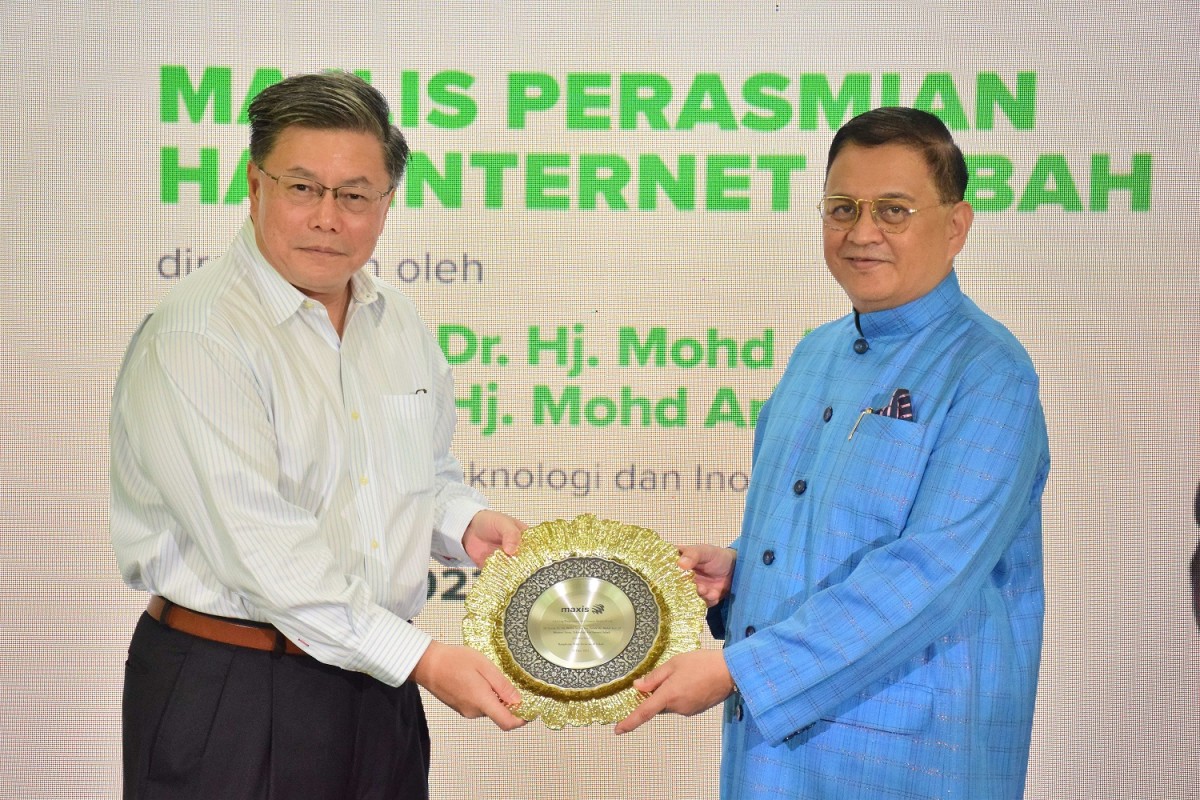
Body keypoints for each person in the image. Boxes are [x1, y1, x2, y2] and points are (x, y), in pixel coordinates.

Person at [111, 71, 527, 800]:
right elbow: (263, 552)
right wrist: (424, 659)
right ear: (255, 185)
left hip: (377, 687)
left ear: (387, 204)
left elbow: (418, 473)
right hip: (234, 690)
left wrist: (464, 524)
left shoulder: (396, 322)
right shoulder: (198, 336)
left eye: (355, 196)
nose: (328, 218)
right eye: (303, 188)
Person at [617, 107, 1050, 799]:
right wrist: (740, 569)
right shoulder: (815, 353)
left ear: (956, 226)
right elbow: (821, 529)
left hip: (909, 758)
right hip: (774, 753)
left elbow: (929, 576)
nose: (862, 233)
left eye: (894, 210)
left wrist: (740, 670)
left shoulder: (989, 372)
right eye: (842, 208)